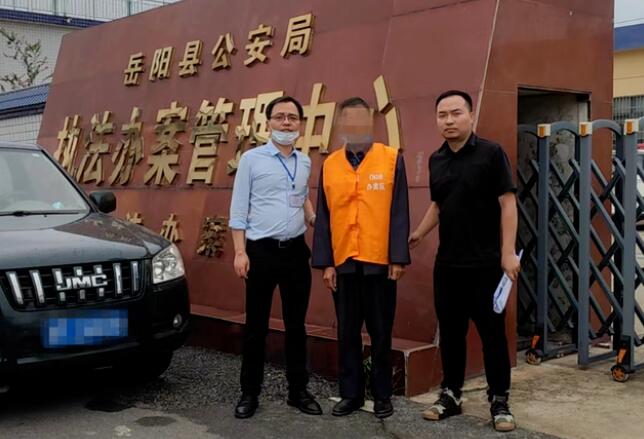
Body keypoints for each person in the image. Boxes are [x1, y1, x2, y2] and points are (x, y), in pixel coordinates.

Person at [409, 90, 520, 432]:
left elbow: (507, 203)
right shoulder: (436, 160)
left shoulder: (491, 153)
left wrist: (507, 252)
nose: (449, 120)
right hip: (448, 266)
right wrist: (419, 233)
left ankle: (499, 400)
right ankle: (451, 395)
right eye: (442, 115)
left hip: (486, 265)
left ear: (471, 115)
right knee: (452, 334)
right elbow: (439, 205)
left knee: (493, 336)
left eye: (456, 113)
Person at [312, 97, 410, 419]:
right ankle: (351, 394)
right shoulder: (330, 164)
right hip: (343, 263)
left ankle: (382, 395)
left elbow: (399, 212)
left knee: (381, 332)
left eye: (361, 120)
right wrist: (327, 263)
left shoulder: (391, 158)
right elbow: (324, 217)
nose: (355, 126)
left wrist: (397, 257)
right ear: (341, 125)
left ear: (371, 123)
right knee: (347, 332)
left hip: (380, 263)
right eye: (348, 120)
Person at [229, 96, 321, 419]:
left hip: (295, 251)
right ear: (268, 122)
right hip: (261, 252)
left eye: (292, 117)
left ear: (300, 124)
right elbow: (238, 208)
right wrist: (240, 252)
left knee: (297, 325)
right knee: (256, 326)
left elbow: (302, 196)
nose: (286, 122)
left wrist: (313, 218)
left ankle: (298, 391)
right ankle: (249, 392)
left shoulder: (304, 161)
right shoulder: (251, 160)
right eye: (280, 117)